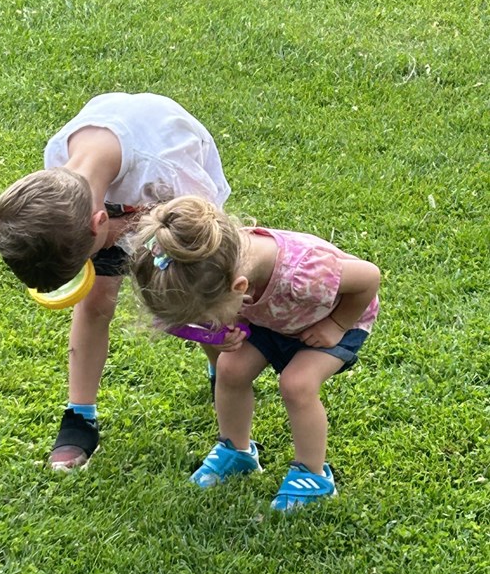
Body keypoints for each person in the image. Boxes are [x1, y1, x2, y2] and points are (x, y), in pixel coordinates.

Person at [0, 93, 231, 470]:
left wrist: (139, 231)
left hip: (180, 203)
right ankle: (79, 415)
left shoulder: (166, 168)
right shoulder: (58, 171)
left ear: (98, 224)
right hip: (113, 202)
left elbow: (202, 226)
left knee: (198, 294)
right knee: (96, 299)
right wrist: (113, 236)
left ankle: (222, 377)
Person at [132, 196, 380, 512]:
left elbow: (369, 278)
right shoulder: (218, 262)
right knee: (231, 368)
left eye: (209, 317)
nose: (211, 325)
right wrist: (232, 323)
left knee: (297, 384)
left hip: (335, 316)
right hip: (275, 316)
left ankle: (314, 477)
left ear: (240, 287)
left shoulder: (304, 274)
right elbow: (232, 306)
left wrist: (336, 324)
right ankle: (236, 451)